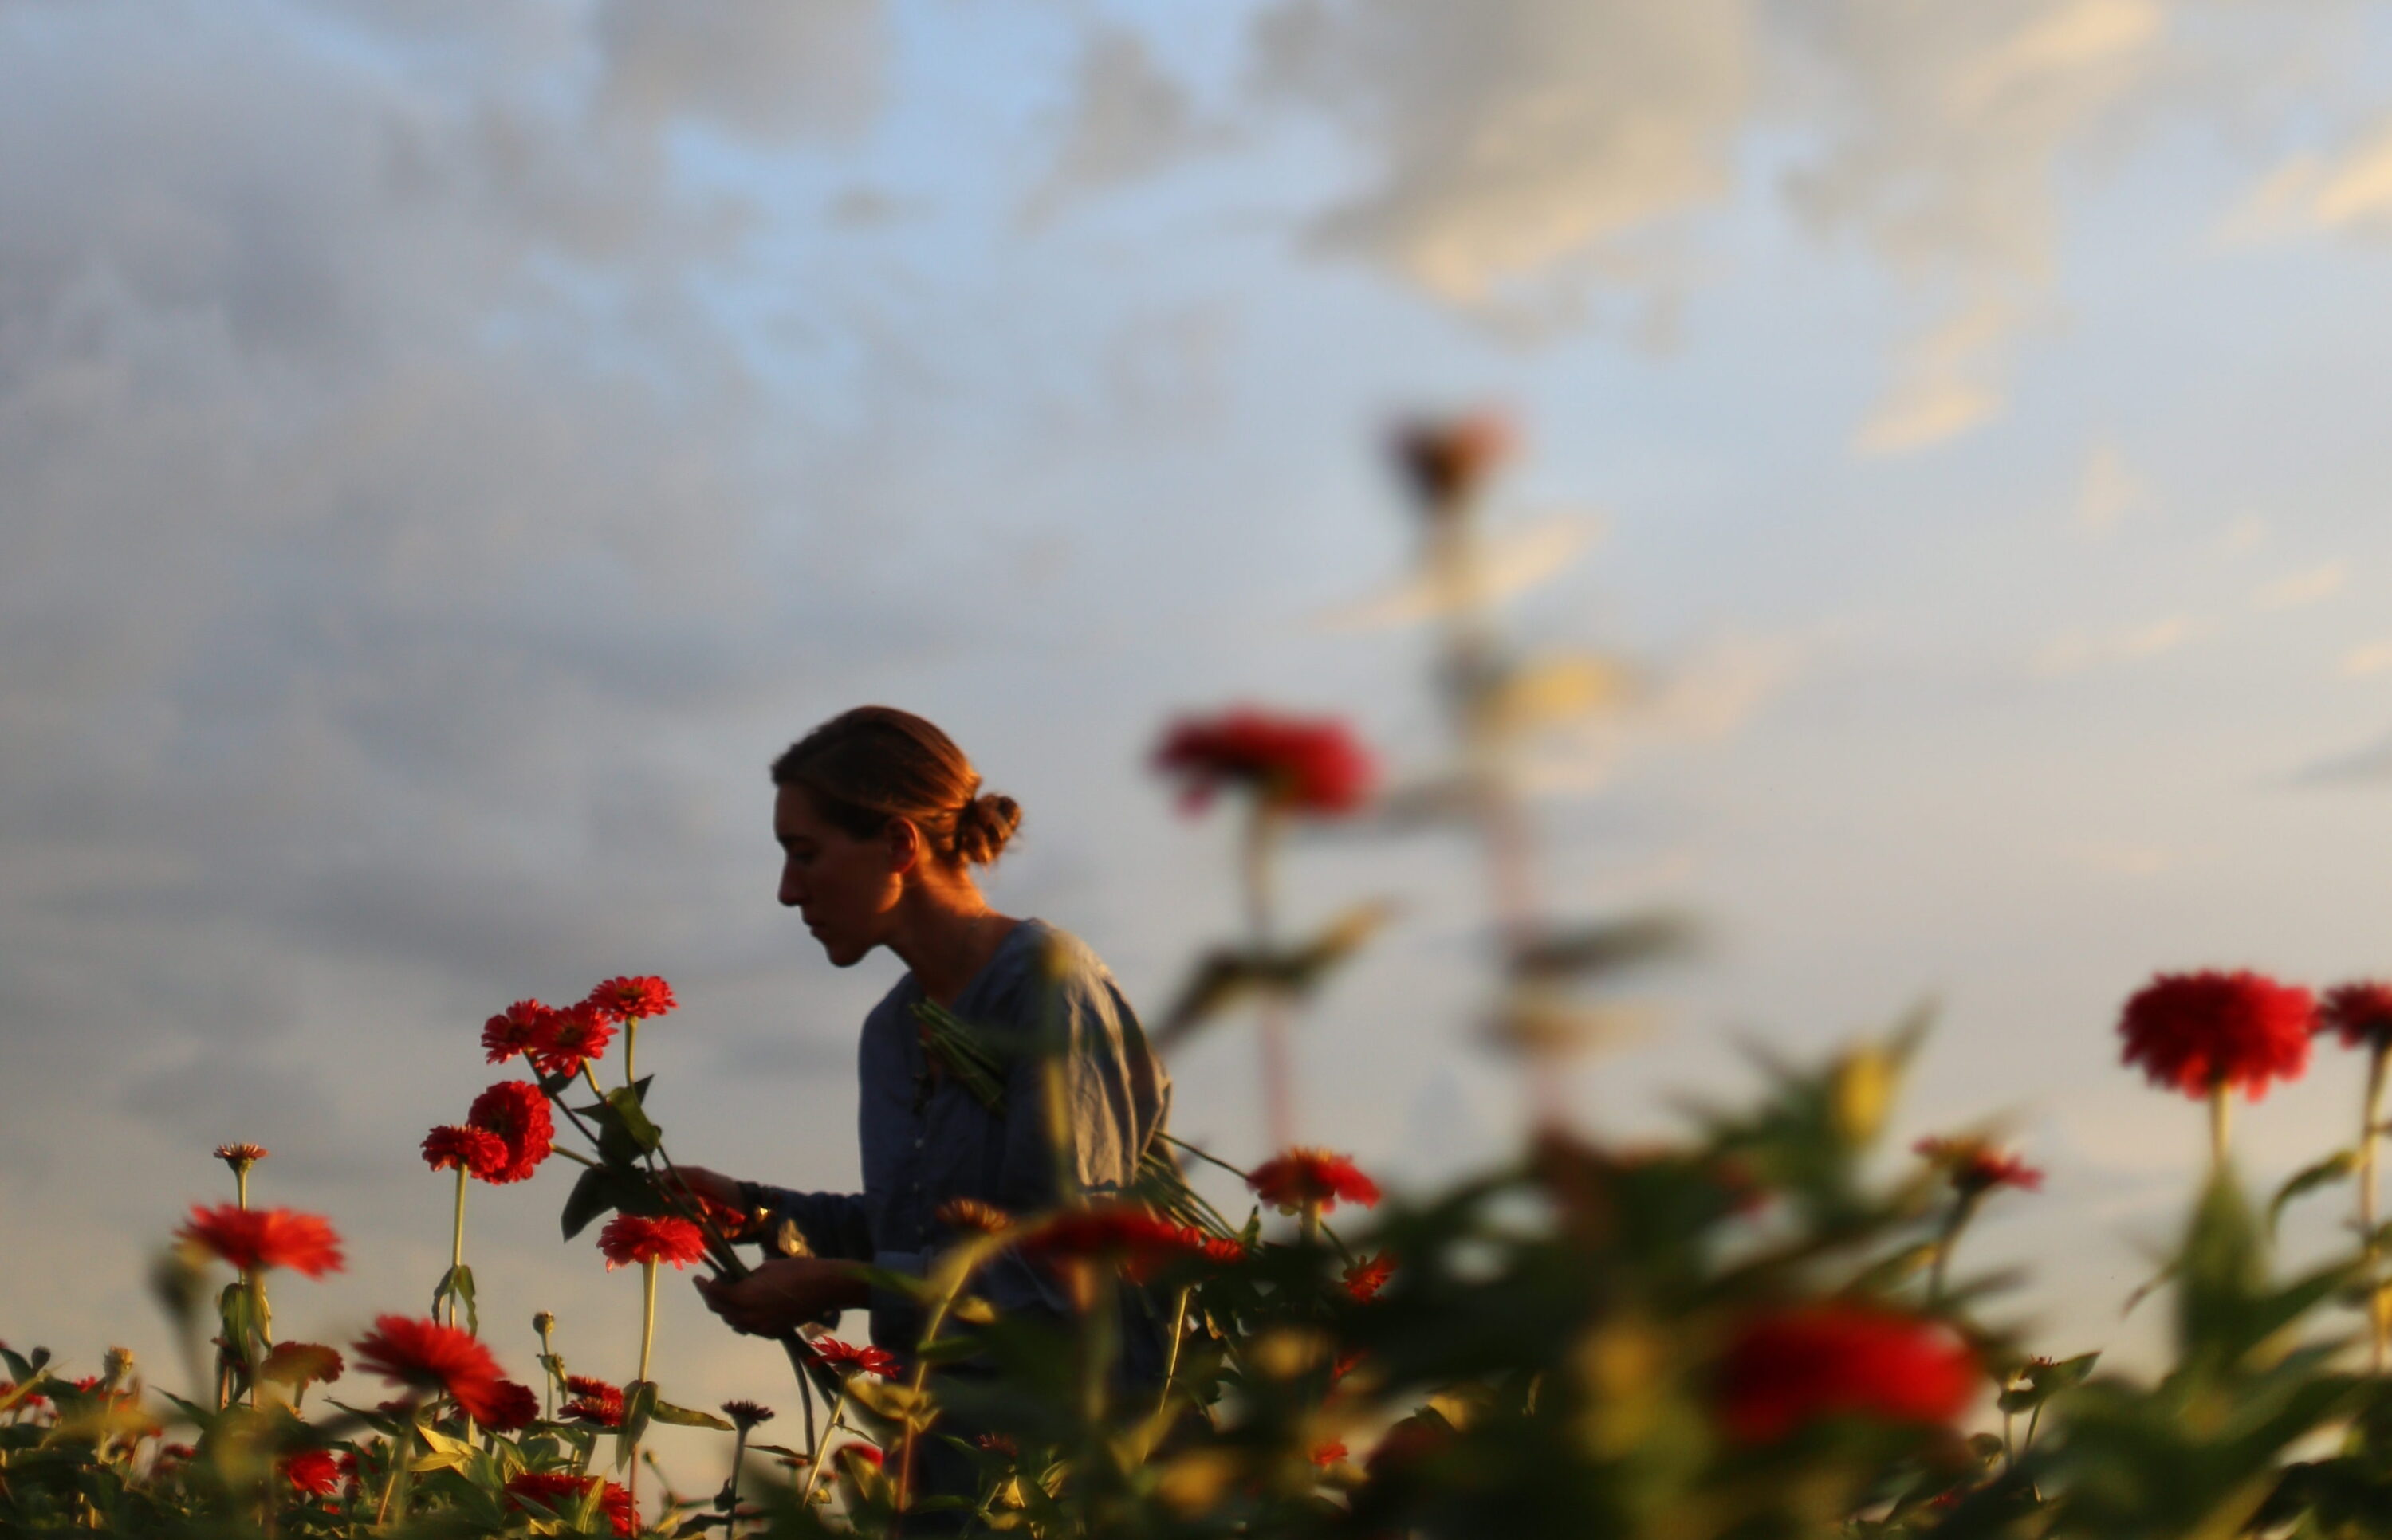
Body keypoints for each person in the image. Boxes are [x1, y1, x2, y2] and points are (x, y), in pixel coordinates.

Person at [678, 705, 1174, 1381]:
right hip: (941, 1452)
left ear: (898, 846)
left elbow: (1066, 1275)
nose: (789, 891)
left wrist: (846, 1285)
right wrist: (757, 1210)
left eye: (805, 854)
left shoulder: (1050, 993)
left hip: (1072, 1460)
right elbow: (913, 1234)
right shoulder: (892, 1030)